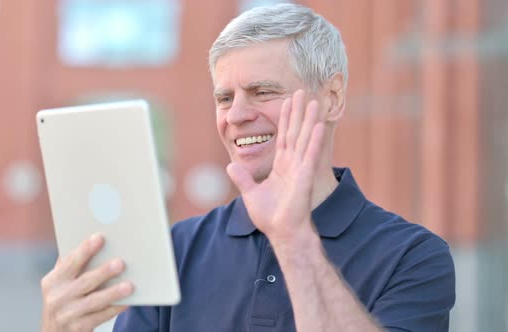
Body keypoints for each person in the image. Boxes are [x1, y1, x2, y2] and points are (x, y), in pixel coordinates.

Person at [41, 4, 456, 332]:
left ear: (331, 98)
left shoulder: (414, 257)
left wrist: (293, 239)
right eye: (224, 98)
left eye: (262, 91)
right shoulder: (177, 249)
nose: (236, 115)